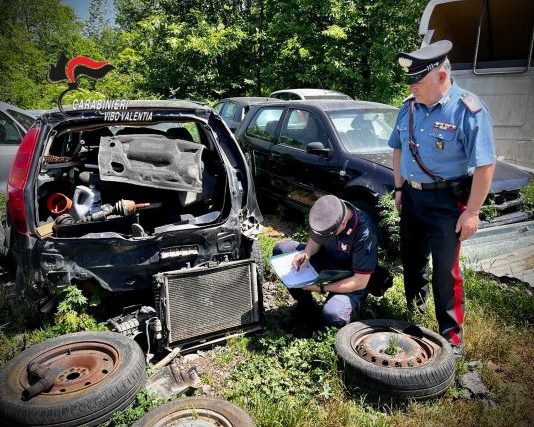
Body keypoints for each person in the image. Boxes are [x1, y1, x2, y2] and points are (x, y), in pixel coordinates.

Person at [388, 40, 496, 355]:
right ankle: (416, 316)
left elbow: (485, 164)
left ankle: (451, 337)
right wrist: (398, 188)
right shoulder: (408, 107)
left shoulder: (467, 110)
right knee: (412, 260)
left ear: (440, 76)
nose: (412, 87)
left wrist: (472, 212)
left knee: (445, 271)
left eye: (417, 81)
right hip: (411, 197)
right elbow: (397, 148)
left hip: (447, 202)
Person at [272, 195, 381, 328]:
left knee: (334, 316)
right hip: (326, 259)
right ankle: (306, 305)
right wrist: (307, 253)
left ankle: (348, 311)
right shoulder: (329, 208)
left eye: (328, 234)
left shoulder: (366, 234)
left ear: (343, 224)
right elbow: (316, 237)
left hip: (350, 276)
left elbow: (360, 281)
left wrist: (321, 288)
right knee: (282, 250)